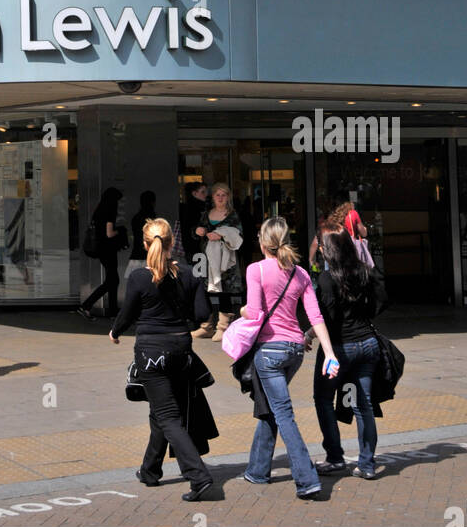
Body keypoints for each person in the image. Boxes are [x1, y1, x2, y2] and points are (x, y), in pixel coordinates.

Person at [110, 217, 217, 502]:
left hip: (150, 352)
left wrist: (115, 331)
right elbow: (202, 314)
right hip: (181, 349)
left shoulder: (139, 277)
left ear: (146, 244)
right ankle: (149, 470)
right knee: (163, 411)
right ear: (172, 243)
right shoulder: (187, 273)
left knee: (169, 416)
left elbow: (128, 313)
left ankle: (199, 477)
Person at [240, 217, 339, 499]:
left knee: (283, 413)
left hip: (268, 351)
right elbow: (315, 316)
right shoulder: (301, 274)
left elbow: (256, 313)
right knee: (273, 406)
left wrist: (243, 311)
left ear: (262, 241)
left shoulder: (255, 270)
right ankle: (257, 470)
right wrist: (329, 353)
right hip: (295, 350)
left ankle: (307, 479)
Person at [308, 228, 389, 479]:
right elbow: (381, 300)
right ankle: (367, 464)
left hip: (340, 348)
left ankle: (334, 458)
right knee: (362, 403)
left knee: (323, 399)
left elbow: (326, 319)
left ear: (327, 250)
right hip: (367, 344)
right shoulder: (364, 271)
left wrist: (309, 335)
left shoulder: (327, 279)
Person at [192, 183, 243, 341]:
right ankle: (206, 326)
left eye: (224, 195)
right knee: (204, 290)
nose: (220, 198)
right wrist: (197, 231)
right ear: (212, 197)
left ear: (228, 197)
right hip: (206, 258)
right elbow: (196, 235)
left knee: (224, 291)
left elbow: (239, 234)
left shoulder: (233, 215)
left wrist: (221, 235)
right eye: (217, 195)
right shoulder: (206, 214)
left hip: (225, 260)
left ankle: (223, 327)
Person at [78, 187, 125, 320]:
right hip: (108, 250)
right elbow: (109, 233)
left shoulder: (99, 211)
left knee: (112, 280)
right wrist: (120, 232)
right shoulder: (110, 211)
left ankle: (112, 311)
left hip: (101, 250)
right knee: (112, 280)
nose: (119, 204)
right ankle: (87, 305)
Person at [125, 190, 157, 279]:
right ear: (153, 202)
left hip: (137, 253)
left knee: (137, 282)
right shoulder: (152, 218)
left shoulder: (136, 217)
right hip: (150, 254)